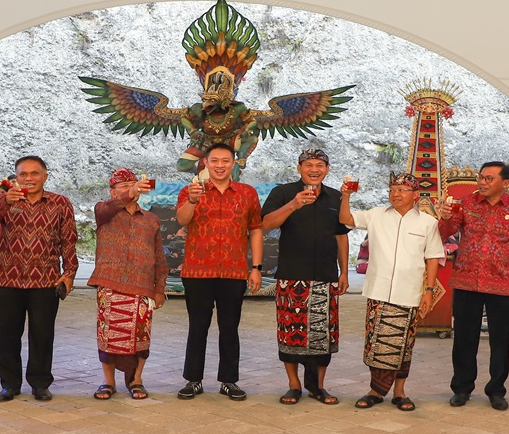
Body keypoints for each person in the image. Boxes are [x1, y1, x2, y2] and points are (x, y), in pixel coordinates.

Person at [340, 172, 445, 411]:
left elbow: (432, 257)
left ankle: (399, 392)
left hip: (409, 293)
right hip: (378, 291)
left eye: (402, 190)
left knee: (404, 345)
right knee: (376, 343)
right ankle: (374, 391)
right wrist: (345, 196)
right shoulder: (376, 215)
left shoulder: (427, 223)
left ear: (415, 195)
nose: (395, 194)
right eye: (392, 190)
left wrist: (428, 291)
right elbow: (345, 218)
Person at [435, 161, 509, 410]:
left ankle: (496, 390)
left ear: (506, 183)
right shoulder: (465, 203)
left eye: (489, 179)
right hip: (466, 280)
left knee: (500, 341)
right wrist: (445, 218)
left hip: (500, 284)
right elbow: (445, 232)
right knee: (464, 339)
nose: (482, 182)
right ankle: (461, 387)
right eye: (481, 177)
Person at [0, 155, 78, 402]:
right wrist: (4, 201)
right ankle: (9, 384)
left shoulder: (60, 203)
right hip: (7, 279)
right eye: (23, 174)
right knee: (7, 335)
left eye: (35, 173)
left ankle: (40, 383)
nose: (29, 179)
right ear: (15, 177)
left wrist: (68, 274)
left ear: (45, 176)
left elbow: (68, 240)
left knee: (42, 334)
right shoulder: (6, 200)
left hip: (45, 280)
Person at [261, 149, 350, 406]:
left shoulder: (335, 196)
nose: (314, 169)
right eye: (309, 164)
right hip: (292, 275)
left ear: (327, 169)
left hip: (325, 276)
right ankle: (294, 385)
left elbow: (341, 235)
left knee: (323, 334)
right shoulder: (283, 192)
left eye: (320, 165)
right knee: (291, 332)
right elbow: (266, 224)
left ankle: (318, 386)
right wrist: (294, 204)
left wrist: (344, 271)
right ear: (299, 168)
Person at [176, 143, 264, 401]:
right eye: (214, 160)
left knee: (229, 327)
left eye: (225, 160)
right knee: (197, 327)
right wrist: (192, 200)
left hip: (235, 272)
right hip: (197, 272)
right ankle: (193, 380)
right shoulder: (191, 190)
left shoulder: (247, 193)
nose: (220, 165)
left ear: (233, 163)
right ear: (205, 163)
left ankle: (229, 380)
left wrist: (256, 268)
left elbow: (256, 229)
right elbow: (182, 219)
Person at [88, 168, 167, 400]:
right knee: (108, 335)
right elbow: (104, 209)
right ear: (112, 191)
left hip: (142, 286)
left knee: (141, 335)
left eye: (133, 185)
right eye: (123, 186)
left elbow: (159, 257)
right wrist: (128, 194)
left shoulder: (151, 219)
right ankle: (108, 381)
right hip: (109, 284)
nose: (130, 190)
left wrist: (159, 288)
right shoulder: (104, 212)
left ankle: (137, 380)